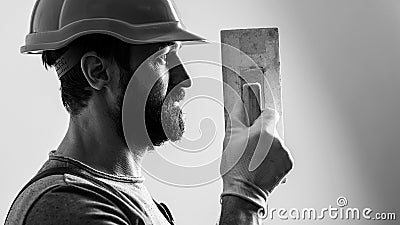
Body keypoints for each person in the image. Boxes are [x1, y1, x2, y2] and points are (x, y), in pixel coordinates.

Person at [5, 0, 293, 224]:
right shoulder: (66, 207)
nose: (185, 79)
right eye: (164, 57)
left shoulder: (119, 196)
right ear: (99, 71)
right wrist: (244, 199)